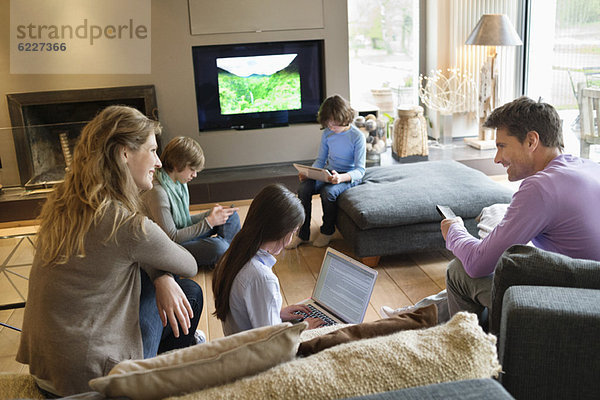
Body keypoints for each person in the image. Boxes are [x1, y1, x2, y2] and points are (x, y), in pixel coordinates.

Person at [17, 106, 203, 397]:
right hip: (90, 382)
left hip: (45, 369)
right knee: (189, 291)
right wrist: (164, 276)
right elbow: (188, 263)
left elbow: (139, 252)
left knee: (154, 279)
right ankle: (160, 384)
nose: (157, 161)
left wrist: (158, 275)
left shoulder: (62, 204)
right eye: (152, 150)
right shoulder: (126, 224)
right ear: (124, 153)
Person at [441, 96, 600, 324]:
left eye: (502, 146)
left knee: (460, 272)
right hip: (590, 285)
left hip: (576, 302)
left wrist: (454, 231)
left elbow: (478, 265)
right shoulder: (589, 166)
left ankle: (469, 350)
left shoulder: (540, 188)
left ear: (531, 141)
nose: (497, 159)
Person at [212, 184, 325, 335]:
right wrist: (303, 329)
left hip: (239, 346)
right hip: (260, 356)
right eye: (293, 232)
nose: (291, 238)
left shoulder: (232, 255)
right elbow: (273, 345)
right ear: (282, 231)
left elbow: (250, 316)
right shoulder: (262, 278)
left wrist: (275, 314)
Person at [141, 136, 241, 269]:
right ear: (177, 165)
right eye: (192, 169)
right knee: (219, 247)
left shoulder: (177, 182)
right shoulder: (158, 193)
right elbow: (172, 237)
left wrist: (212, 215)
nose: (195, 175)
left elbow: (184, 221)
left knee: (230, 215)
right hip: (169, 248)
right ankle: (229, 258)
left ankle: (227, 259)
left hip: (180, 236)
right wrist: (209, 221)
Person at [286, 94, 366, 249]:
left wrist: (341, 178)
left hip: (349, 176)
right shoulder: (327, 133)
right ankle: (302, 233)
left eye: (334, 123)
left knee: (328, 192)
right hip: (330, 172)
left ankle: (327, 231)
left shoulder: (357, 137)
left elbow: (360, 170)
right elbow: (321, 160)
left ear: (344, 118)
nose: (331, 127)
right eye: (328, 123)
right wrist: (310, 173)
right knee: (304, 188)